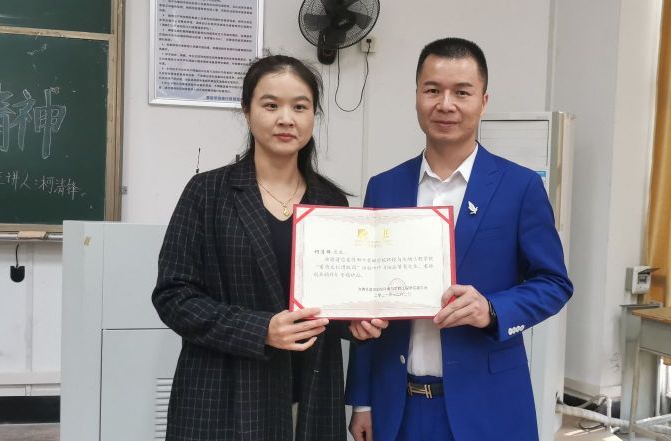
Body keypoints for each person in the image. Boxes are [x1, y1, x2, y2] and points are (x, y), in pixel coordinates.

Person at [345, 38, 573, 441]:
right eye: (432, 90)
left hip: (488, 404)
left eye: (462, 93)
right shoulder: (384, 187)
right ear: (417, 97)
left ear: (483, 101)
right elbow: (368, 295)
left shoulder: (519, 187)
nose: (445, 104)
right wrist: (362, 401)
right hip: (397, 404)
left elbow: (554, 284)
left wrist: (492, 309)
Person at [152, 55, 386, 441]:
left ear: (313, 116)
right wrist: (261, 329)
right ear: (247, 112)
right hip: (225, 398)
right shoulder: (207, 193)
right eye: (271, 105)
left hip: (311, 398)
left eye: (300, 107)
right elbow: (173, 296)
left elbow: (333, 298)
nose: (286, 119)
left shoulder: (330, 202)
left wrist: (354, 323)